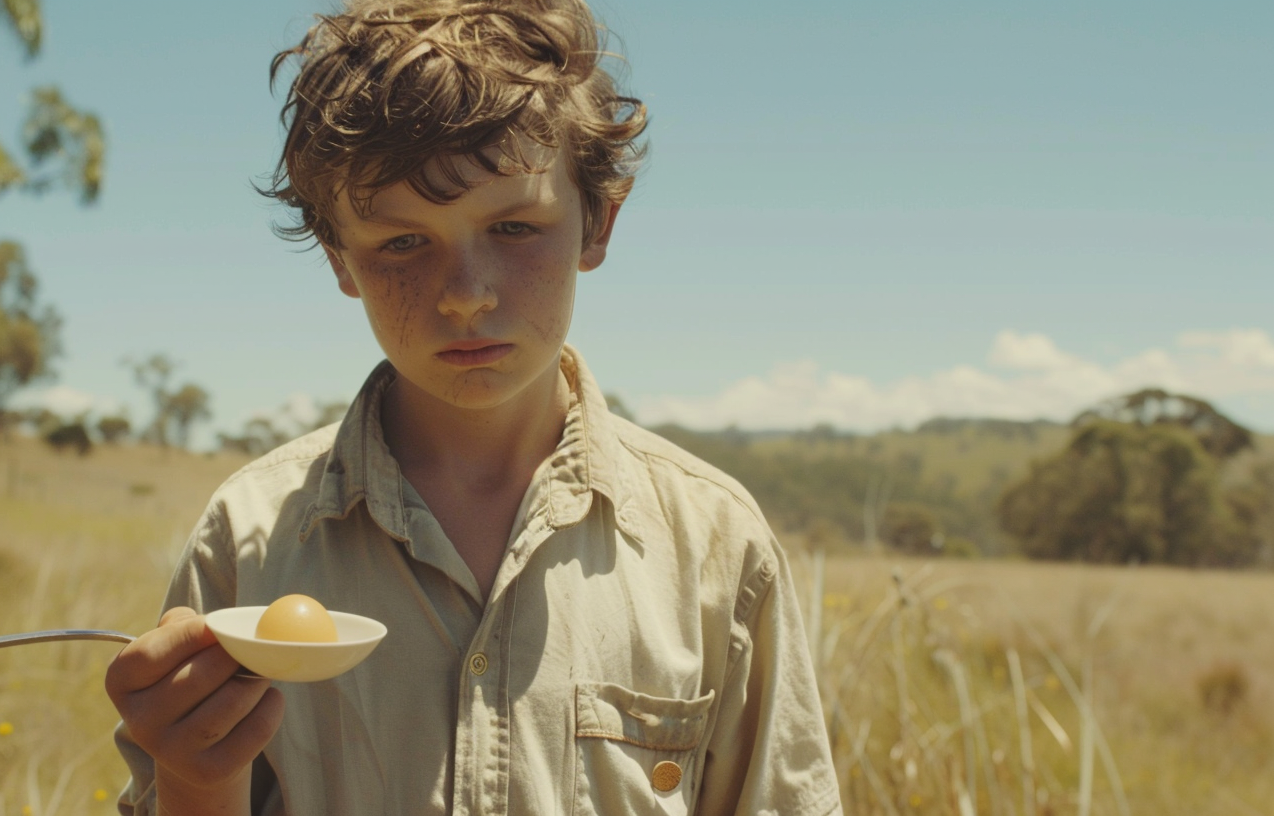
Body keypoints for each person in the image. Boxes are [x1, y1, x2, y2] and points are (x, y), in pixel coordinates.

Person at [105, 0, 842, 813]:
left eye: (516, 227)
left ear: (597, 222)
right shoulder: (249, 540)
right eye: (402, 243)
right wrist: (195, 778)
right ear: (340, 258)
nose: (465, 295)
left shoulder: (715, 547)